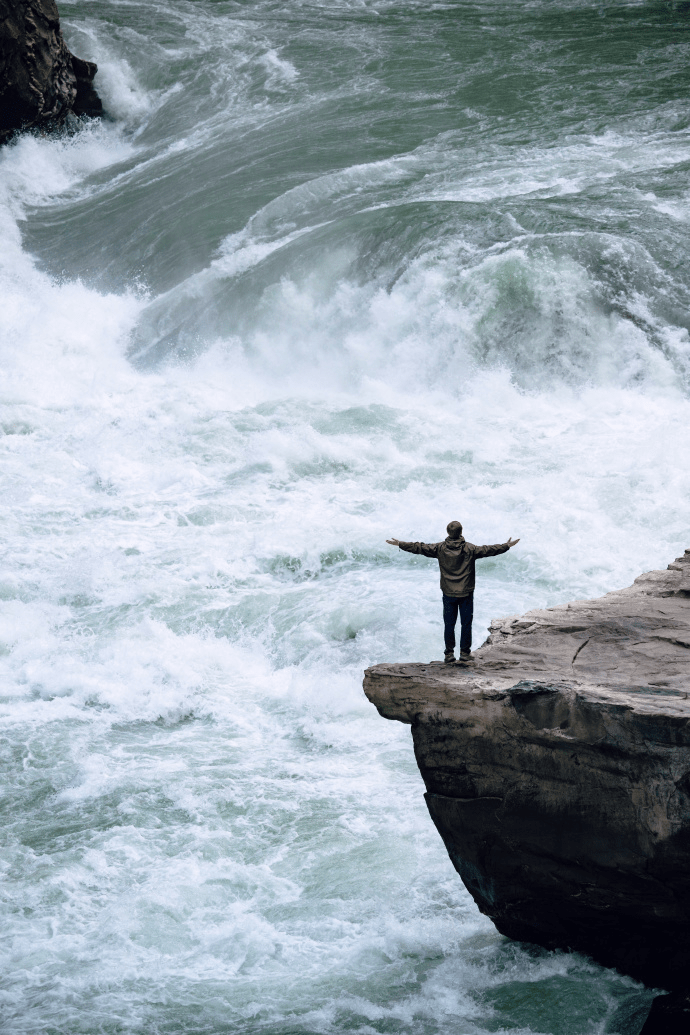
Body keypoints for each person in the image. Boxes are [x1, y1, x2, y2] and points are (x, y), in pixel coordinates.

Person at [386, 521, 520, 663]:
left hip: (448, 592)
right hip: (466, 592)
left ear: (448, 533)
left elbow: (419, 547)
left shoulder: (440, 548)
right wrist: (506, 546)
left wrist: (400, 543)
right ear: (461, 532)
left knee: (449, 624)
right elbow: (489, 550)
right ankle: (464, 653)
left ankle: (449, 654)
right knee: (466, 623)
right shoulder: (470, 548)